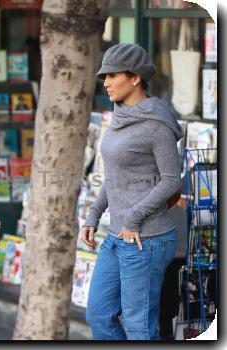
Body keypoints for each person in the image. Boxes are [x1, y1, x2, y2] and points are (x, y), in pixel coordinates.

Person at [82, 43, 184, 340]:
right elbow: (116, 175)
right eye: (104, 77)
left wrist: (133, 218)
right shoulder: (119, 115)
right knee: (98, 315)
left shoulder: (156, 123)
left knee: (139, 328)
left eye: (113, 75)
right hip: (116, 235)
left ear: (135, 77)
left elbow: (171, 181)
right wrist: (93, 214)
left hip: (146, 239)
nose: (106, 83)